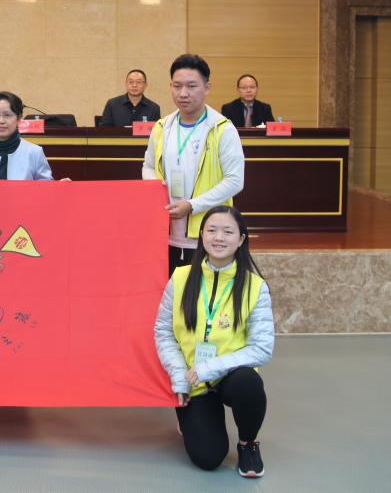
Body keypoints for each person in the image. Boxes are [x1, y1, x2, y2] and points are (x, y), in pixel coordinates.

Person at [154, 205, 274, 477]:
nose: (219, 238)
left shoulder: (255, 286)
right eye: (212, 230)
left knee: (249, 384)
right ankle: (190, 418)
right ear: (202, 236)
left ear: (241, 239)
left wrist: (211, 367)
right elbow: (163, 331)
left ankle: (248, 444)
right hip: (193, 380)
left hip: (231, 375)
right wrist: (179, 375)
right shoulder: (180, 277)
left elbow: (262, 348)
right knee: (208, 458)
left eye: (228, 232)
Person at [142, 54, 244, 274]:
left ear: (207, 87)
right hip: (165, 231)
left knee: (203, 293)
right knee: (171, 292)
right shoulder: (162, 127)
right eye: (177, 86)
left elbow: (235, 180)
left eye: (191, 86)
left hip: (208, 234)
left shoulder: (222, 129)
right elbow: (148, 166)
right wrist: (156, 190)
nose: (183, 93)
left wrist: (192, 205)